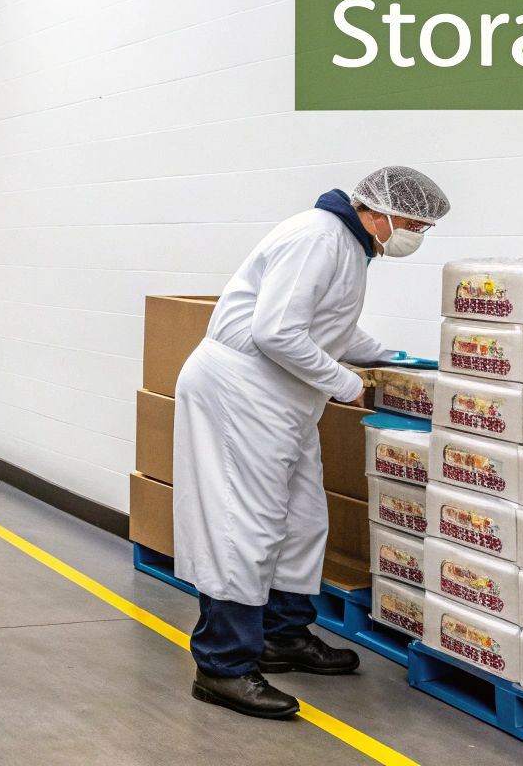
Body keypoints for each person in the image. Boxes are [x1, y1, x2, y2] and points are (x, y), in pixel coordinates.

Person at [173, 166, 450, 719]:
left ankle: (282, 635)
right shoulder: (319, 238)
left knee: (302, 518)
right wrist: (348, 383)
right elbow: (275, 332)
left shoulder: (350, 245)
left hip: (282, 398)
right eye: (414, 222)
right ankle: (222, 666)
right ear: (377, 210)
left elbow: (329, 325)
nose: (417, 233)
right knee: (242, 523)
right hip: (242, 390)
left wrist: (387, 356)